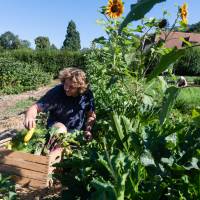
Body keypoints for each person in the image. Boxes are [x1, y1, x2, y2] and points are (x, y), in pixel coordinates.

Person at [24, 67, 96, 141]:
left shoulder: (87, 95)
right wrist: (30, 117)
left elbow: (91, 115)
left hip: (77, 132)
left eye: (72, 87)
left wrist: (88, 130)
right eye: (66, 84)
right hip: (56, 125)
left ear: (79, 88)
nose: (66, 88)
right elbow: (35, 107)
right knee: (61, 131)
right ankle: (56, 146)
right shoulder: (57, 92)